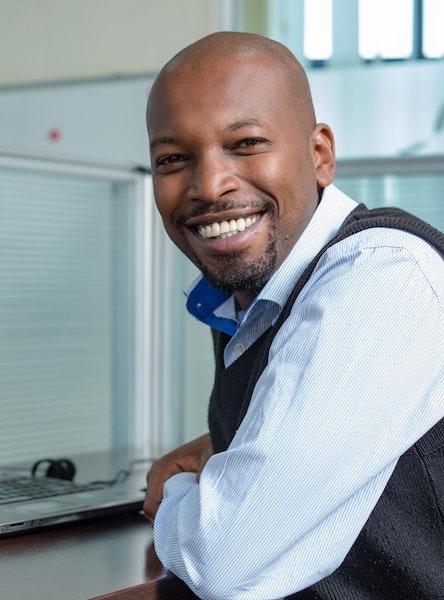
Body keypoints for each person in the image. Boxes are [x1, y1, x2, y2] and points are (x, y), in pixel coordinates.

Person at [142, 31, 444, 599]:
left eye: (247, 143)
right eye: (173, 159)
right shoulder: (256, 294)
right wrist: (225, 448)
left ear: (319, 155)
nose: (209, 185)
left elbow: (224, 561)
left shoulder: (380, 276)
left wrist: (179, 490)